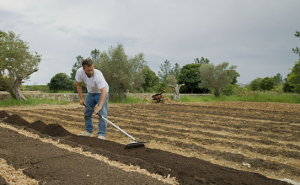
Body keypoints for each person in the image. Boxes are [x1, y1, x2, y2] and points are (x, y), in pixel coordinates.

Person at [75, 58, 109, 140]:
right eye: (88, 70)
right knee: (87, 112)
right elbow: (78, 85)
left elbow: (104, 91)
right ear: (84, 69)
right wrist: (82, 98)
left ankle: (101, 134)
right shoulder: (79, 72)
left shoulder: (98, 75)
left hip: (101, 93)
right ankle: (89, 131)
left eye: (92, 69)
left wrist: (99, 106)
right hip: (90, 92)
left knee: (102, 114)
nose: (90, 72)